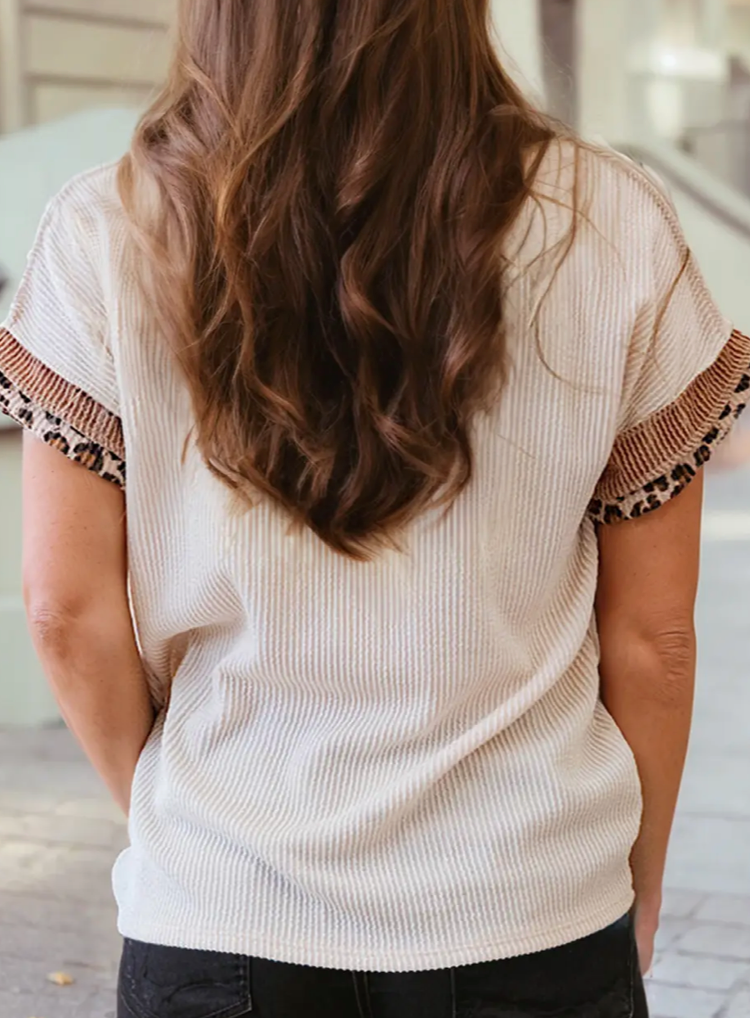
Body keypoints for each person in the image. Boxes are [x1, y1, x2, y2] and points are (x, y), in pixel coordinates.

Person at [1, 2, 748, 1015]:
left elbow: (62, 610)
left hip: (219, 919)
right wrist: (638, 871)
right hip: (531, 909)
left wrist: (188, 827)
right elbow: (654, 635)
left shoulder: (105, 230)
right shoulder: (614, 221)